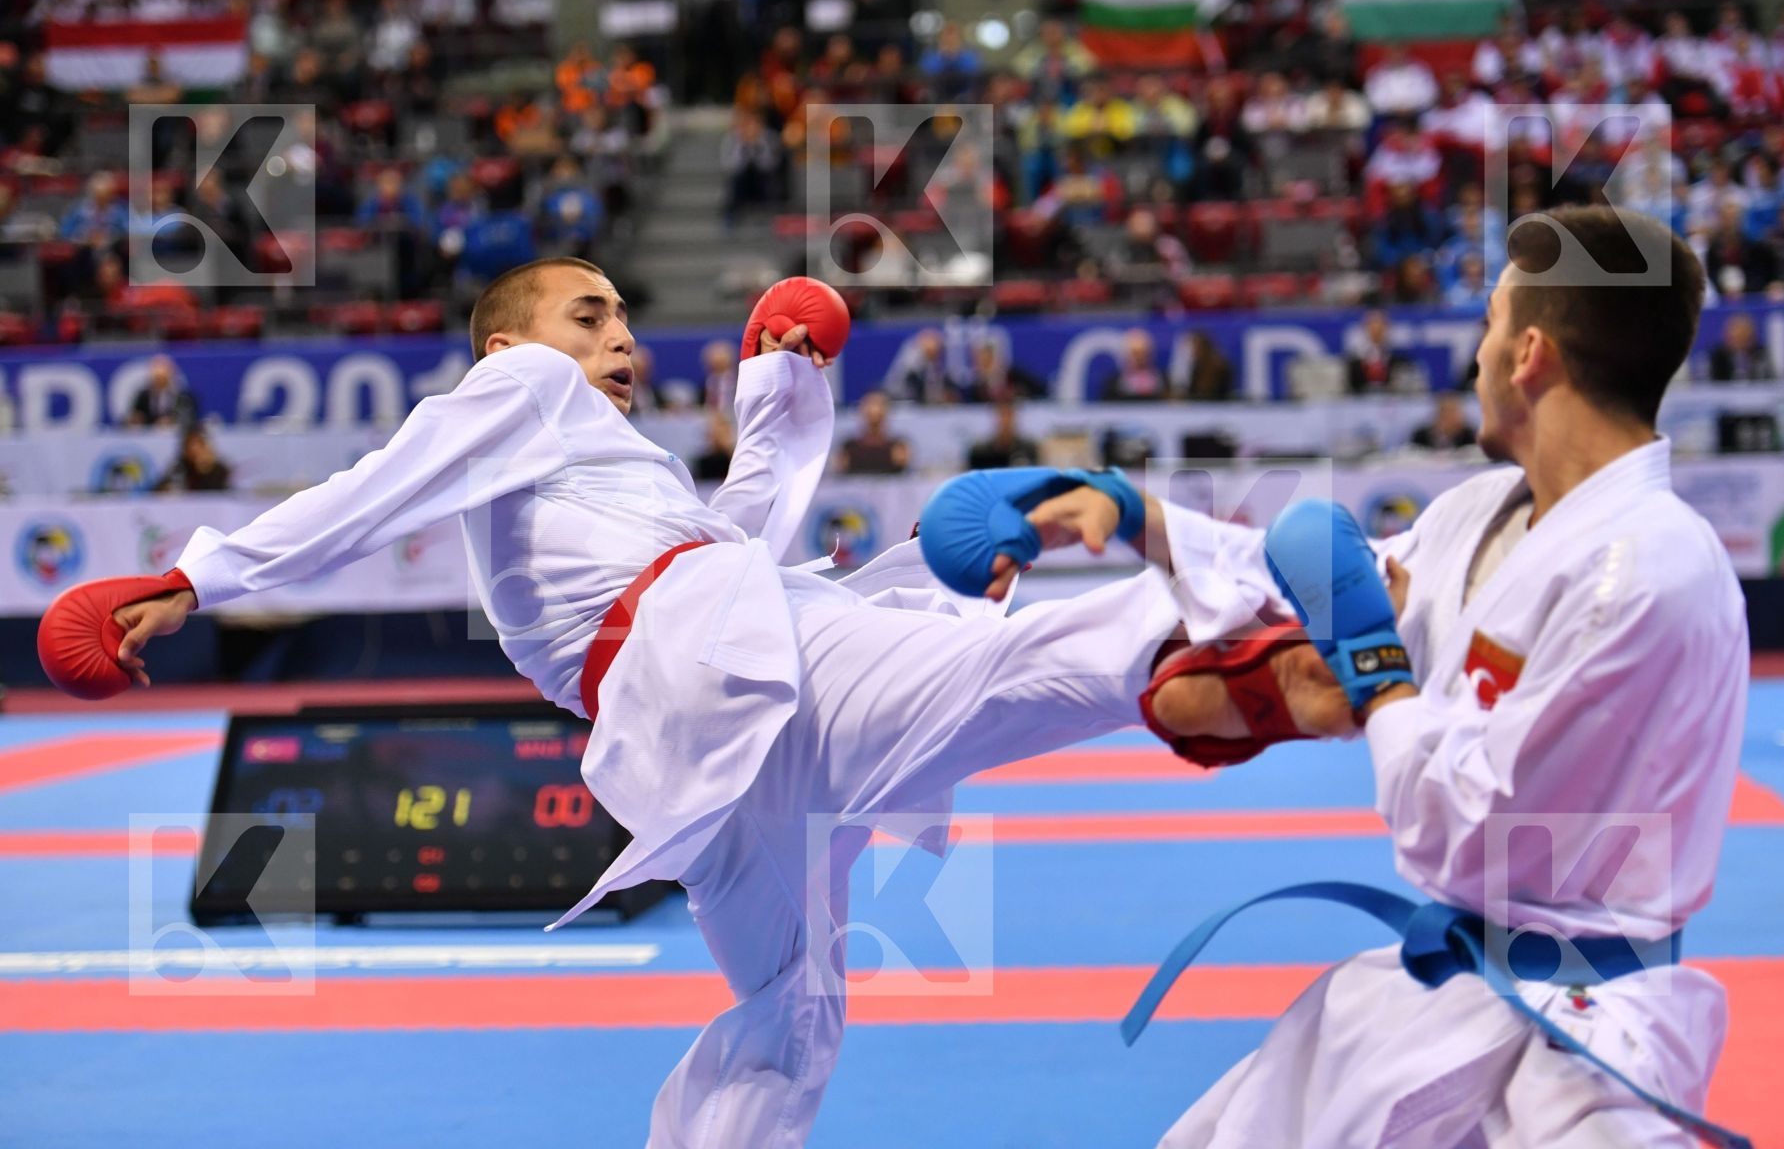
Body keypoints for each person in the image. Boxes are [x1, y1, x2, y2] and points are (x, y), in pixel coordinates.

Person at [95, 255, 1336, 1149]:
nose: (620, 334)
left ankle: (1202, 655)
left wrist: (779, 387)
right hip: (725, 672)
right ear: (510, 347)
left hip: (708, 722)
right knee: (995, 677)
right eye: (590, 315)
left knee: (788, 1015)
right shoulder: (527, 393)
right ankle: (1228, 636)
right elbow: (375, 487)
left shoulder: (603, 470)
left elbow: (735, 536)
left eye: (625, 314)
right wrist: (195, 577)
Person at [1139, 207, 1751, 1149]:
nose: (1475, 354)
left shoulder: (1646, 570)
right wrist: (1138, 524)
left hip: (1584, 1039)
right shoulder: (1475, 516)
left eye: (1490, 322)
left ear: (1529, 355)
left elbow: (1468, 832)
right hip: (1440, 989)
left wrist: (1380, 681)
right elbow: (1324, 595)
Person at [834, 389, 909, 474]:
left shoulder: (898, 448)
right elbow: (840, 469)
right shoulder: (848, 449)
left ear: (887, 410)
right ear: (861, 409)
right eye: (870, 404)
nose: (875, 409)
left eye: (880, 405)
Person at [155, 425, 232, 493]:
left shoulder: (219, 469)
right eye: (189, 446)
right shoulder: (179, 467)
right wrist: (167, 488)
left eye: (198, 445)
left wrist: (205, 470)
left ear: (206, 447)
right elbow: (159, 488)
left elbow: (220, 492)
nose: (194, 450)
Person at [127, 355, 198, 428]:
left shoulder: (182, 397)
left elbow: (189, 418)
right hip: (148, 436)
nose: (159, 382)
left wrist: (173, 420)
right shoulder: (143, 396)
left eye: (162, 379)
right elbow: (136, 415)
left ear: (170, 377)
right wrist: (136, 419)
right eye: (156, 378)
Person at [965, 401, 1040, 469]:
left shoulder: (1028, 448)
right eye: (1002, 416)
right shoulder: (980, 452)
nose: (1005, 421)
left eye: (1009, 416)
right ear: (995, 419)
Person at [1707, 312, 1775, 382]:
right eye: (1736, 338)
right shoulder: (1718, 356)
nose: (1739, 343)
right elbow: (1714, 383)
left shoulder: (1760, 354)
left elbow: (1770, 380)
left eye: (1743, 338)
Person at [1104, 329, 1168, 401]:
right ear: (1126, 354)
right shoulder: (1114, 384)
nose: (1139, 357)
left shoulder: (1162, 380)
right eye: (1135, 353)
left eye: (1143, 352)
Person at [1409, 393, 1477, 452]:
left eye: (1453, 414)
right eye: (1446, 414)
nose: (1450, 418)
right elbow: (1412, 451)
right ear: (1438, 415)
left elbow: (1474, 453)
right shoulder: (1421, 434)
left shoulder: (1468, 434)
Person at [691, 410, 736, 481]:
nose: (721, 432)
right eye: (717, 429)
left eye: (725, 428)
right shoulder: (703, 463)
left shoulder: (736, 457)